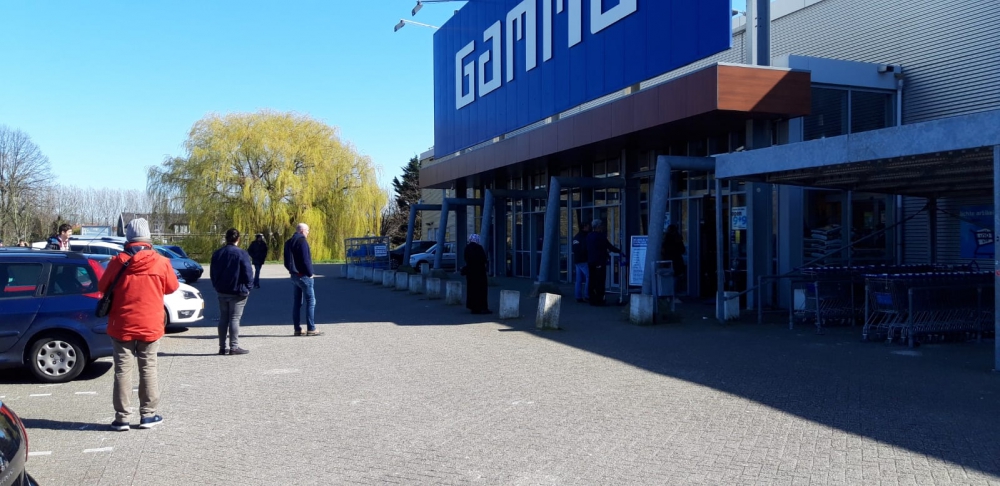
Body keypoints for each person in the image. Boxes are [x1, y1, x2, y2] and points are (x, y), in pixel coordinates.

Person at [98, 218, 178, 431]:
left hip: (121, 323)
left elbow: (102, 286)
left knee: (122, 370)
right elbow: (172, 287)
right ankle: (148, 415)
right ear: (148, 237)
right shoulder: (161, 262)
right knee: (148, 368)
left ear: (128, 237)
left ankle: (122, 418)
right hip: (151, 323)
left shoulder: (117, 261)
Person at [210, 228, 254, 356]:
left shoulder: (217, 253)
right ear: (238, 239)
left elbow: (213, 272)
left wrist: (216, 285)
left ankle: (222, 347)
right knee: (234, 318)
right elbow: (248, 272)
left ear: (226, 238)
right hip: (237, 291)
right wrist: (248, 288)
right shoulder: (241, 253)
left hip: (222, 290)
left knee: (223, 318)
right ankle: (234, 347)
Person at [283, 223, 323, 337]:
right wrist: (310, 273)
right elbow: (306, 260)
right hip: (304, 275)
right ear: (302, 231)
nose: (308, 233)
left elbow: (286, 260)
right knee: (311, 301)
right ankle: (311, 328)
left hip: (294, 275)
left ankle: (297, 328)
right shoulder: (302, 241)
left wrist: (291, 271)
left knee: (297, 303)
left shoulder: (289, 242)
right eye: (307, 230)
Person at [585, 219, 622, 306]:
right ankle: (599, 299)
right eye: (601, 226)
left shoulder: (589, 236)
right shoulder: (601, 236)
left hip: (591, 261)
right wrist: (620, 251)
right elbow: (609, 246)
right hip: (599, 261)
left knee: (592, 280)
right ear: (598, 227)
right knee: (600, 280)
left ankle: (592, 299)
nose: (602, 227)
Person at [463, 233, 491, 314]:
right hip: (480, 272)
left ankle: (473, 308)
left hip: (470, 273)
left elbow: (465, 258)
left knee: (471, 290)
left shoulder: (467, 248)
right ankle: (482, 307)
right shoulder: (479, 248)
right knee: (481, 291)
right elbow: (484, 259)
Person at [571, 221, 591, 303]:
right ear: (584, 227)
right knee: (589, 276)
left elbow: (574, 249)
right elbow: (585, 249)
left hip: (577, 260)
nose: (589, 227)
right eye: (587, 226)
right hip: (583, 260)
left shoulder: (576, 237)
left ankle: (578, 296)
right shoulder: (585, 237)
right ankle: (587, 295)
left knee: (578, 280)